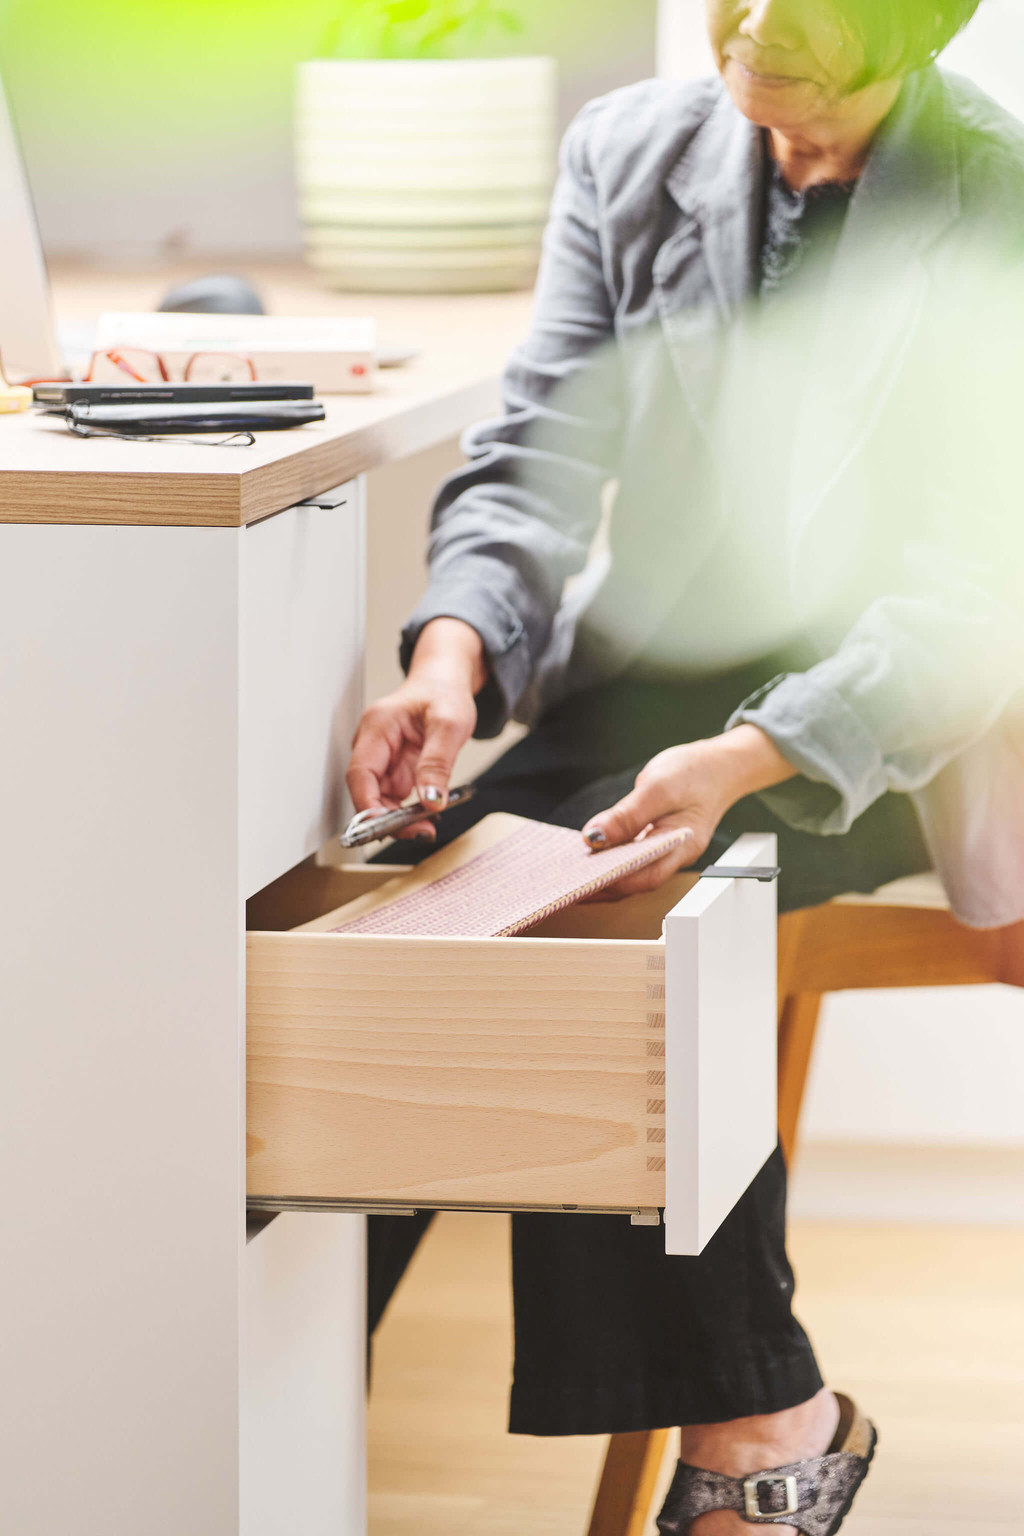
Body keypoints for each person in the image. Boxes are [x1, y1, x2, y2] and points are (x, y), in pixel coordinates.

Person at [348, 2, 1024, 1531]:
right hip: (640, 685)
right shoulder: (629, 152)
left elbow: (977, 589)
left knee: (629, 938)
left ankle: (750, 1442)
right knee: (404, 936)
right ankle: (283, 1402)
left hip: (883, 718)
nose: (760, 24)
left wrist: (747, 757)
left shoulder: (1000, 195)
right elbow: (537, 453)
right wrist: (449, 653)